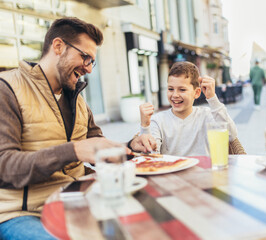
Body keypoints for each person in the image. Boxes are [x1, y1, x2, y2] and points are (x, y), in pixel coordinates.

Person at [0, 17, 155, 240]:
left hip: (75, 199)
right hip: (22, 213)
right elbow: (4, 167)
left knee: (143, 223)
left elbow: (95, 147)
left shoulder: (78, 99)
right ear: (58, 46)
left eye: (93, 62)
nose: (89, 69)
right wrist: (72, 151)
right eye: (85, 57)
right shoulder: (7, 88)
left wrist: (129, 146)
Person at [139, 61, 245, 156]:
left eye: (182, 90)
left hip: (204, 175)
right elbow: (151, 156)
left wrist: (213, 99)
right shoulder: (158, 121)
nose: (175, 95)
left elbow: (231, 135)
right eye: (171, 89)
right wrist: (145, 127)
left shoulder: (207, 115)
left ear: (197, 93)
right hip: (172, 175)